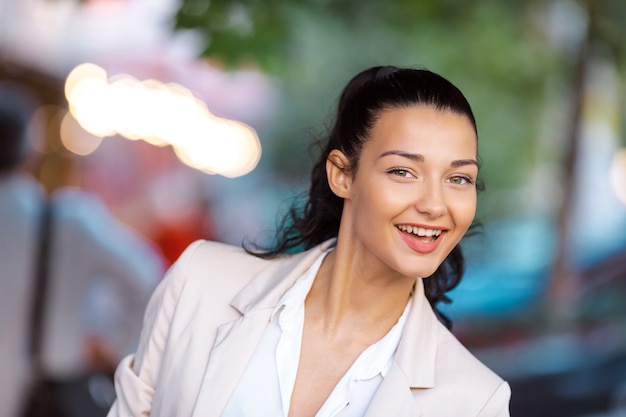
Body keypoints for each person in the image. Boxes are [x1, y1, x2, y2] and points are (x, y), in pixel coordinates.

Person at [107, 65, 511, 416]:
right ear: (342, 174)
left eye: (459, 178)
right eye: (403, 172)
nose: (435, 205)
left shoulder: (475, 402)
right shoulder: (200, 283)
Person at [0, 83, 166, 417]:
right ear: (28, 152)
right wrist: (120, 347)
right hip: (42, 395)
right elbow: (155, 280)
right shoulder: (67, 220)